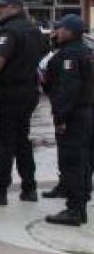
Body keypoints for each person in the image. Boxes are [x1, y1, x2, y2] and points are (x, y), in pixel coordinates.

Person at [0, 0, 46, 206]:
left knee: (5, 143)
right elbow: (42, 54)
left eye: (2, 7)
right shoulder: (34, 30)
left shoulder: (9, 30)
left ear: (15, 8)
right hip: (29, 92)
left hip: (9, 93)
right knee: (22, 140)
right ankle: (29, 188)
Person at [42, 14, 92, 226]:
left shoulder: (69, 56)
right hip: (87, 112)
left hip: (75, 116)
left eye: (60, 29)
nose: (56, 32)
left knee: (72, 161)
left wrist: (60, 118)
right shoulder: (87, 52)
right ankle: (80, 200)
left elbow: (67, 90)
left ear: (69, 32)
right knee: (84, 160)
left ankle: (74, 210)